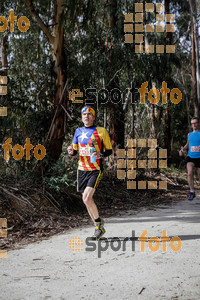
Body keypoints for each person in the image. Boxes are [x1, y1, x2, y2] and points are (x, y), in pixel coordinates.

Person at [67, 106, 112, 239]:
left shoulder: (101, 131)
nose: (86, 116)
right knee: (86, 200)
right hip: (82, 169)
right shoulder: (78, 131)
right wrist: (71, 151)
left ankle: (98, 225)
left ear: (93, 117)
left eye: (89, 114)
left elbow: (109, 151)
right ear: (81, 118)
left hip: (95, 169)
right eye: (84, 115)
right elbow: (74, 150)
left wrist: (101, 155)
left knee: (87, 198)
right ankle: (99, 225)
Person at [179, 117, 200, 200]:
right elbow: (187, 144)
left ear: (199, 123)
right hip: (190, 156)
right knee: (189, 173)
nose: (193, 125)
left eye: (195, 123)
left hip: (199, 157)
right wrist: (182, 150)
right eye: (192, 123)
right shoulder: (189, 134)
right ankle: (192, 191)